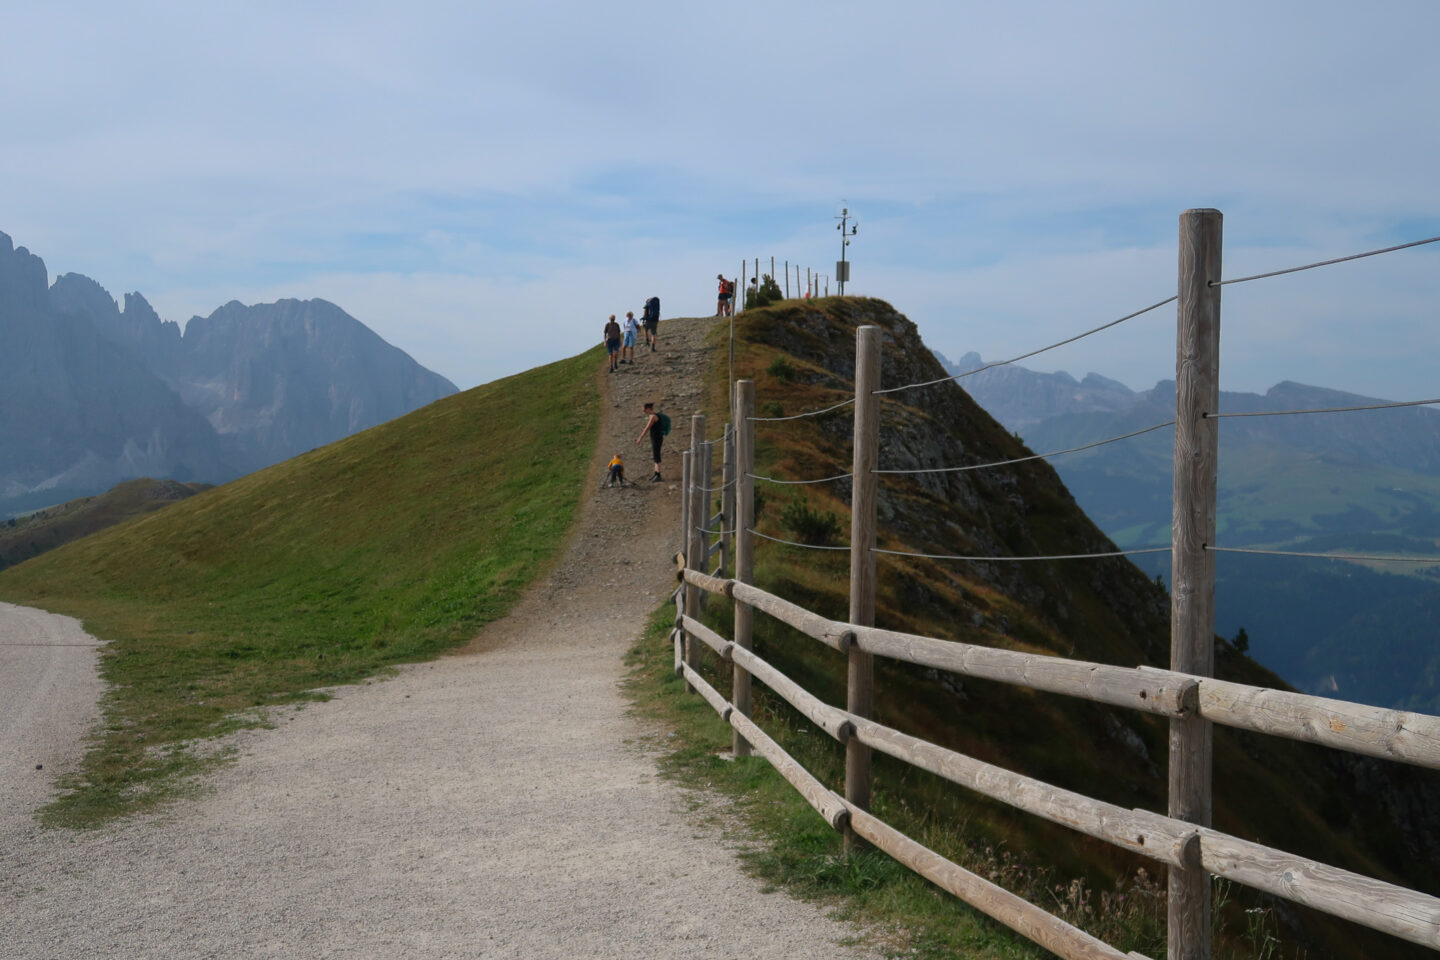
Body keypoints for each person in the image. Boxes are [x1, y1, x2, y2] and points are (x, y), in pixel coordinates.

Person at [635, 401, 666, 482]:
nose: (644, 412)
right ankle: (656, 473)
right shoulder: (652, 416)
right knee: (655, 455)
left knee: (657, 456)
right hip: (655, 438)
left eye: (644, 410)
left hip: (657, 438)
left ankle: (658, 475)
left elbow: (647, 428)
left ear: (648, 409)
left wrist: (640, 438)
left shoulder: (653, 417)